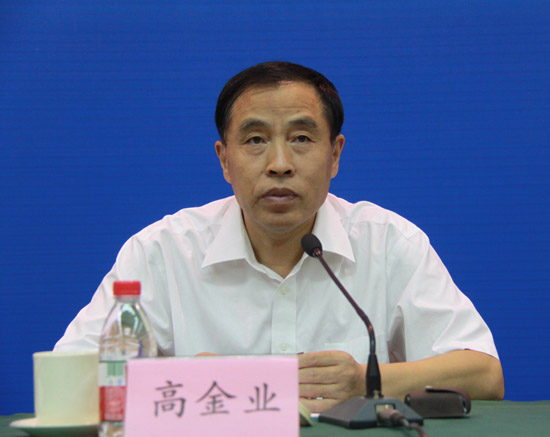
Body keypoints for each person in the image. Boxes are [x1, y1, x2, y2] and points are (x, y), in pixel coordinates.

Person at [55, 61, 505, 412]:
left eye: (302, 138)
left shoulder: (389, 243)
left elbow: (485, 375)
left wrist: (367, 381)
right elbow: (68, 383)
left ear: (335, 155)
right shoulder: (161, 252)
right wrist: (188, 384)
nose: (279, 164)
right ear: (224, 160)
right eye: (255, 140)